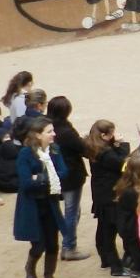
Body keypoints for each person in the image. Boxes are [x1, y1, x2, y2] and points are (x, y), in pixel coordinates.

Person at [14, 118, 68, 278]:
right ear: (38, 134)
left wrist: (40, 177)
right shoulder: (25, 153)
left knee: (53, 244)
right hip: (32, 205)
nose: (54, 134)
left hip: (49, 202)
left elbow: (63, 172)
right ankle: (30, 267)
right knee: (38, 244)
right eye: (49, 131)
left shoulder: (54, 149)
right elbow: (25, 182)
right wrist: (47, 177)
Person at [47, 96, 92, 262]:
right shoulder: (65, 131)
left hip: (52, 172)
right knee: (72, 211)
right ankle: (69, 247)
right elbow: (83, 149)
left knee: (69, 210)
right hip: (70, 174)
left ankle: (65, 243)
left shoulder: (46, 126)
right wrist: (84, 140)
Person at [85, 119, 128, 275]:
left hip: (100, 192)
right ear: (104, 135)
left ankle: (105, 259)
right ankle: (116, 267)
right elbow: (123, 164)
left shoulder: (94, 146)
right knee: (111, 229)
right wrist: (122, 145)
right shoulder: (106, 153)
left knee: (103, 227)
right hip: (109, 194)